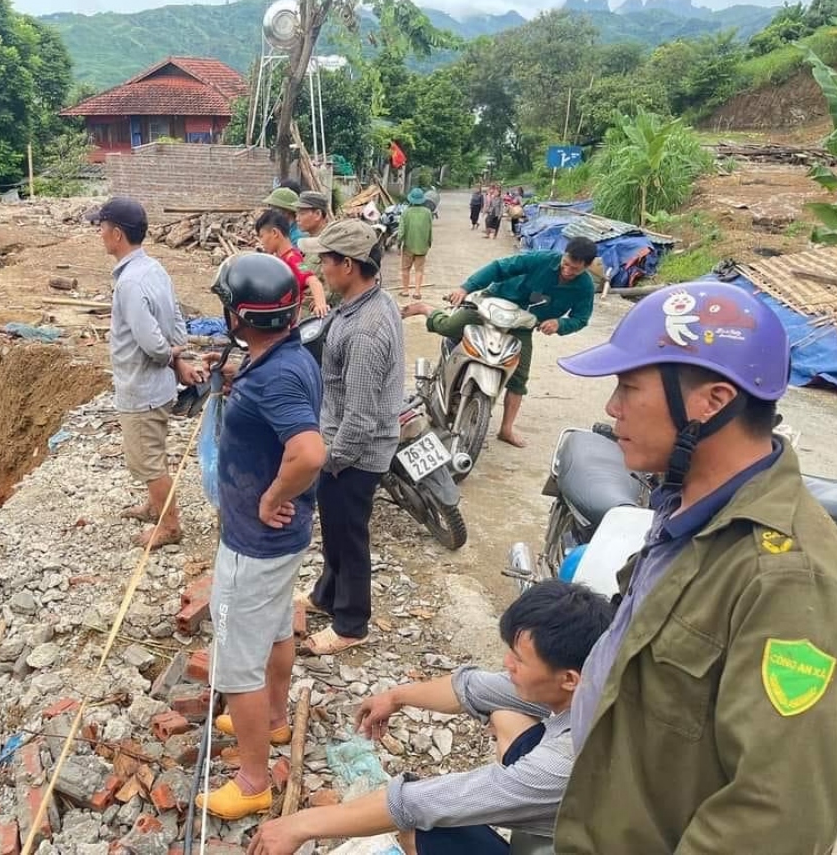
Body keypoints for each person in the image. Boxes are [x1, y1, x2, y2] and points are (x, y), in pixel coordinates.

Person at [553, 281, 837, 854]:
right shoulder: (683, 505)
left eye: (629, 386)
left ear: (712, 402)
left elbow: (775, 817)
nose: (612, 408)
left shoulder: (787, 578)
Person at [249, 580, 615, 855]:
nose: (507, 664)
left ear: (569, 678)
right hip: (580, 820)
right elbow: (472, 688)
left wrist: (299, 826)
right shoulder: (599, 681)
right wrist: (395, 696)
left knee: (422, 829)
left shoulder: (564, 761)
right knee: (505, 705)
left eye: (519, 660)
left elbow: (419, 803)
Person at [196, 252, 326, 821]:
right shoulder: (285, 356)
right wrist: (236, 379)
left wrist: (271, 496)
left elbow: (309, 451)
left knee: (235, 665)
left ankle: (252, 782)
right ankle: (273, 720)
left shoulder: (273, 377)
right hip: (282, 544)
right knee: (275, 628)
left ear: (241, 315)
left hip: (256, 543)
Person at [297, 220, 404, 656]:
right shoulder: (364, 303)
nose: (320, 267)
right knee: (335, 529)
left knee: (350, 536)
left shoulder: (365, 331)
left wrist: (330, 461)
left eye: (325, 260)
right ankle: (326, 594)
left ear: (348, 265)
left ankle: (351, 623)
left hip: (354, 454)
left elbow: (359, 417)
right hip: (343, 445)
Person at [402, 239, 598, 449]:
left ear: (587, 267)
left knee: (519, 378)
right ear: (563, 255)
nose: (568, 270)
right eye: (566, 263)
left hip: (521, 325)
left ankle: (506, 429)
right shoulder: (540, 259)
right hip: (492, 305)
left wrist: (560, 324)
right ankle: (426, 309)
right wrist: (466, 288)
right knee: (449, 326)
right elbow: (499, 268)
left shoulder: (585, 286)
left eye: (575, 269)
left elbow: (581, 318)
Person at [88, 196, 203, 549]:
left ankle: (169, 526)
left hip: (141, 388)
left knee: (149, 460)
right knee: (153, 448)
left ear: (117, 234)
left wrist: (169, 355)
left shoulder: (130, 283)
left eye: (102, 228)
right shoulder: (154, 269)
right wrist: (179, 356)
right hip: (158, 385)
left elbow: (152, 342)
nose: (100, 234)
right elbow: (177, 320)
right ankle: (155, 507)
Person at [255, 211, 329, 317]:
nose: (261, 242)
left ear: (275, 233)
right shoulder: (280, 259)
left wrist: (320, 305)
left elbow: (313, 281)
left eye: (262, 236)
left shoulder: (293, 258)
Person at [398, 188, 434, 300]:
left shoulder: (406, 212)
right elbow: (430, 229)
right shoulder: (428, 212)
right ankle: (417, 292)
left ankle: (405, 291)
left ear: (411, 199)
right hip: (422, 246)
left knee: (405, 269)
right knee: (419, 270)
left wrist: (399, 244)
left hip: (408, 246)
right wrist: (429, 242)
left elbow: (401, 231)